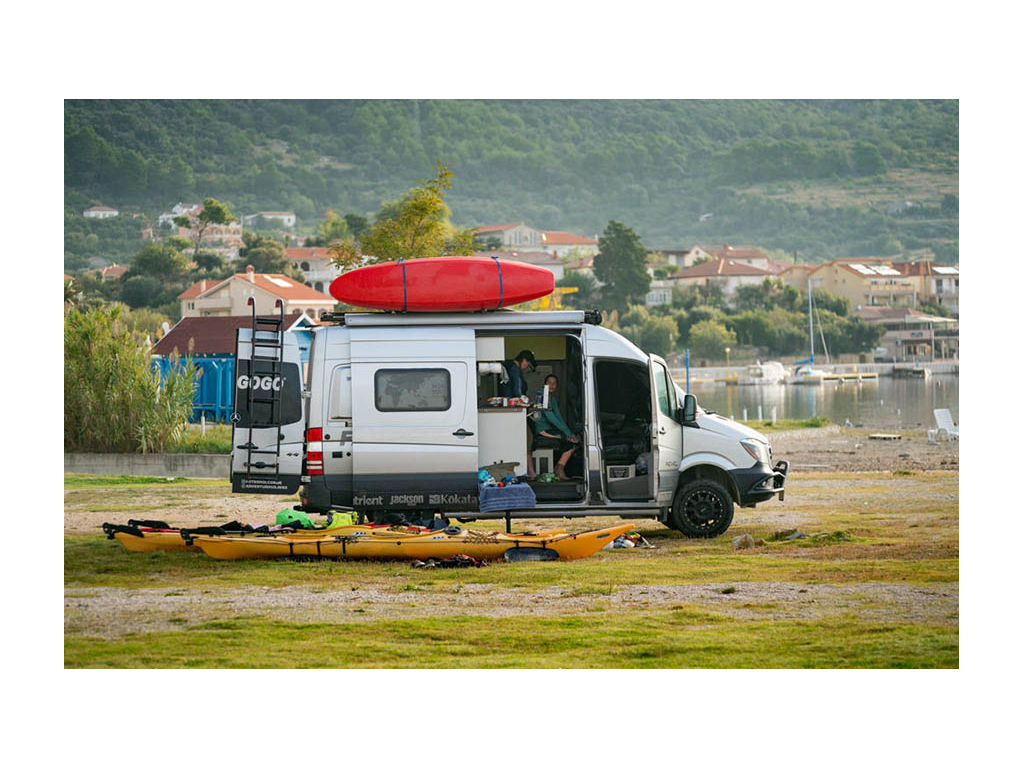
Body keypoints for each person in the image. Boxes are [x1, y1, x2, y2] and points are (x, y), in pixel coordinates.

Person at [533, 374, 579, 481]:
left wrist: (568, 432)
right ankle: (559, 470)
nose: (552, 385)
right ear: (545, 384)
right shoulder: (541, 396)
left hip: (550, 430)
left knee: (573, 442)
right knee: (571, 443)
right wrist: (567, 434)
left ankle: (558, 469)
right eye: (549, 382)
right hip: (542, 432)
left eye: (554, 383)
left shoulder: (551, 398)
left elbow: (558, 416)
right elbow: (550, 417)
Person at [500, 349, 537, 477]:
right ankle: (529, 472)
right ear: (524, 360)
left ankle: (529, 471)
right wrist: (524, 401)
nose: (526, 367)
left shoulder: (509, 366)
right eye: (527, 364)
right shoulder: (515, 369)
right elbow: (517, 389)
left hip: (511, 410)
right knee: (528, 438)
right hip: (515, 410)